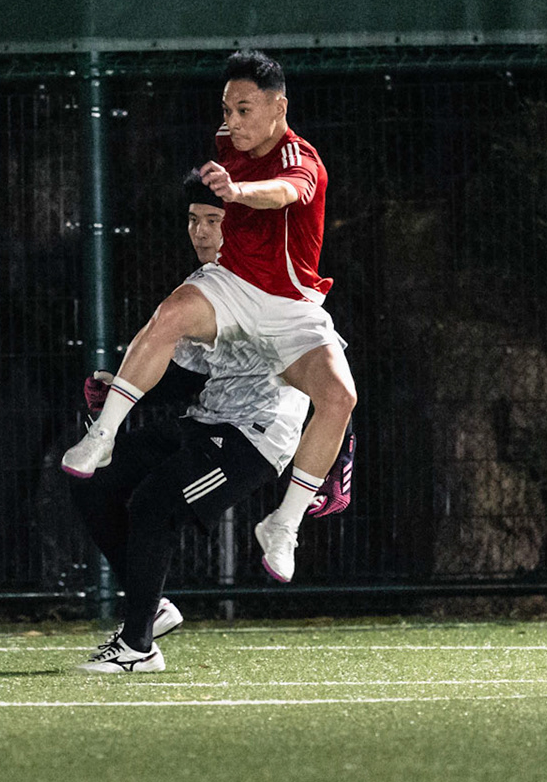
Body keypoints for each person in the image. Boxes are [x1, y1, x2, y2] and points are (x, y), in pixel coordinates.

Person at [61, 50, 357, 583]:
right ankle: (102, 435)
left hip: (290, 306)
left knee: (340, 397)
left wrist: (238, 191)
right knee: (170, 313)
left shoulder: (303, 161)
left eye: (245, 110)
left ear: (278, 107)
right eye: (226, 109)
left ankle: (283, 525)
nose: (232, 123)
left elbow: (283, 193)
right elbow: (186, 369)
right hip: (237, 284)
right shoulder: (226, 145)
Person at [68, 173, 350, 675]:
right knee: (97, 482)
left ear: (243, 226)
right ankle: (149, 608)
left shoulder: (278, 291)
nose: (200, 232)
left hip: (252, 440)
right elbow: (186, 378)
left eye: (214, 220)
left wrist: (341, 455)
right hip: (204, 421)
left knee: (155, 505)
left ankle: (136, 648)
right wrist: (119, 389)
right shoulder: (208, 288)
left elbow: (330, 384)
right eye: (194, 220)